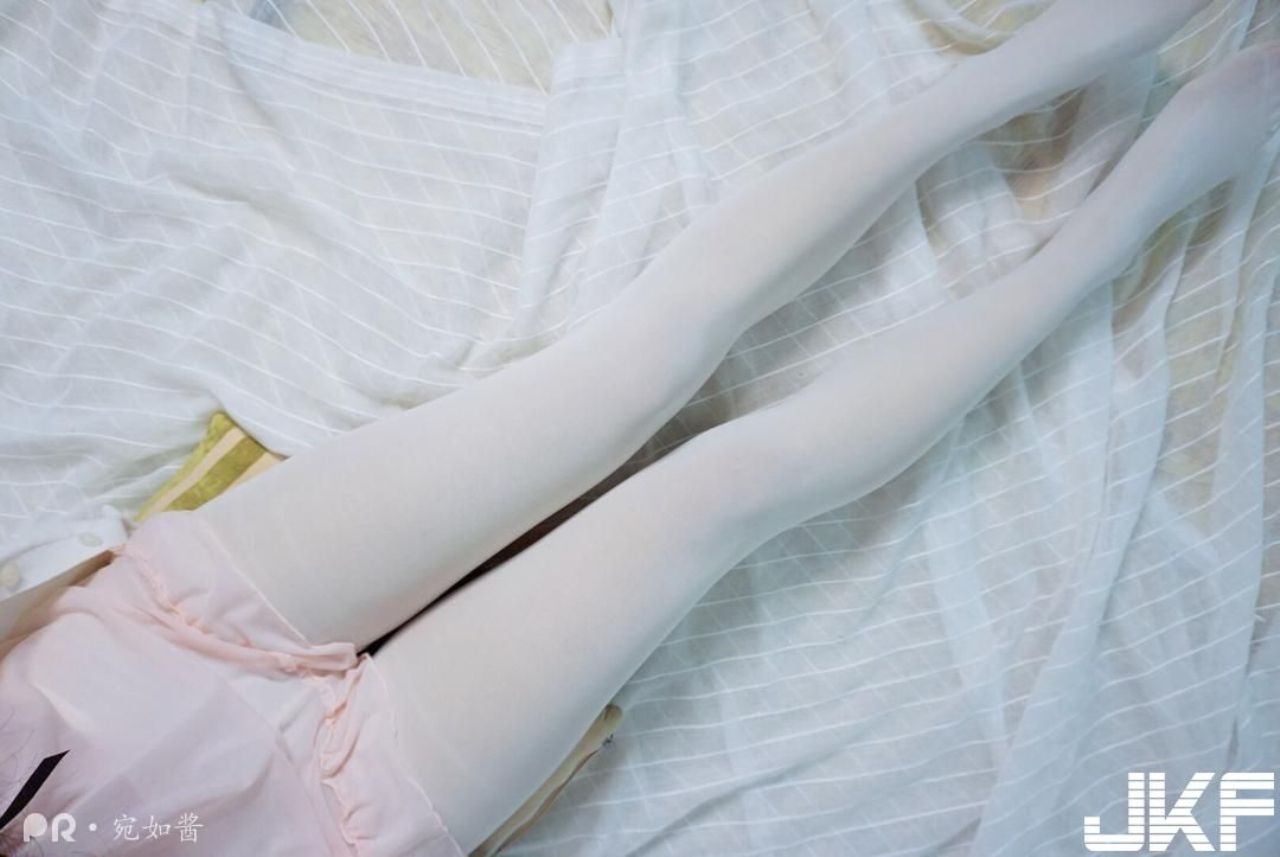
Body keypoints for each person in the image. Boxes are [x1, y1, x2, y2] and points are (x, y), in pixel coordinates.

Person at [3, 0, 1276, 853]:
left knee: (629, 366)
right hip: (339, 818)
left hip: (150, 640)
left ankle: (1024, 70)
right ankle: (1125, 220)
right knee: (722, 490)